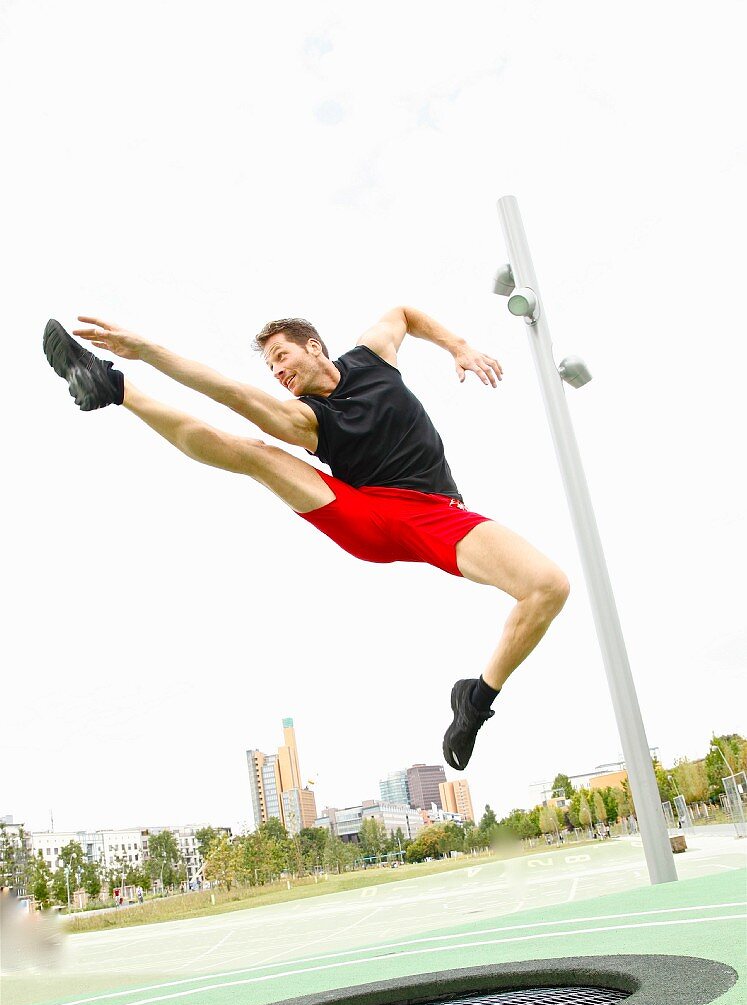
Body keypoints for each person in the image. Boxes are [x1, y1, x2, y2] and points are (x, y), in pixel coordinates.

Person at [42, 308, 570, 771]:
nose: (277, 372)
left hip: (435, 515)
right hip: (368, 516)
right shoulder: (309, 419)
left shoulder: (371, 358)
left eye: (281, 356)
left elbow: (404, 313)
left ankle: (474, 700)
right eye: (270, 368)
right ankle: (110, 386)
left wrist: (458, 346)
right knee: (250, 451)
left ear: (314, 346)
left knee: (548, 586)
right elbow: (229, 392)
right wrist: (146, 352)